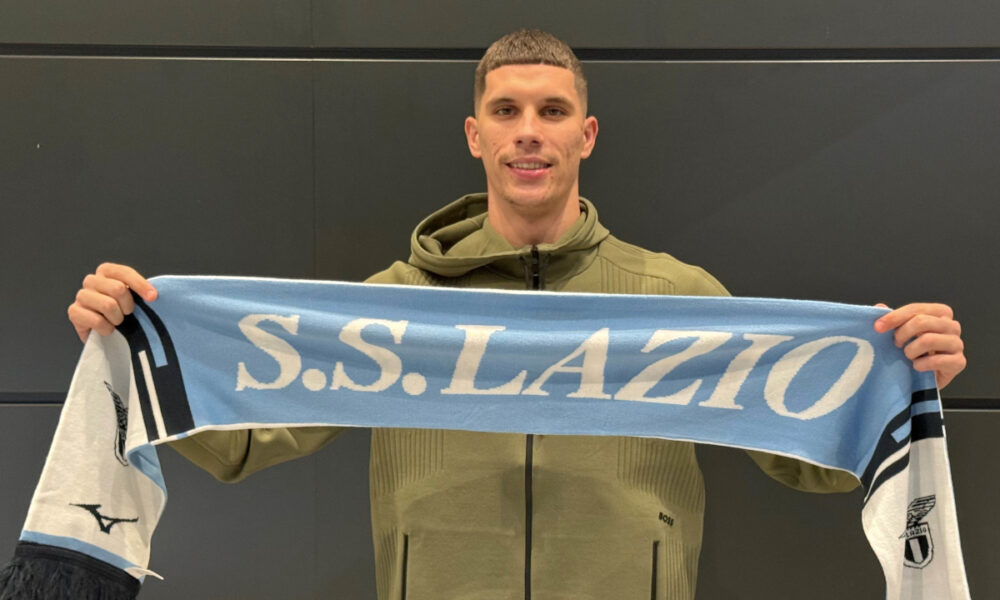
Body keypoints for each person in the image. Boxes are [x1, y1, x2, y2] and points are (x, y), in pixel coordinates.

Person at [66, 30, 966, 600]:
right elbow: (243, 439)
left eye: (551, 110)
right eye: (507, 110)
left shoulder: (677, 299)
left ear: (586, 134)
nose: (528, 130)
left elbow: (807, 455)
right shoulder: (393, 306)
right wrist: (136, 343)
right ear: (476, 134)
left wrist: (902, 378)